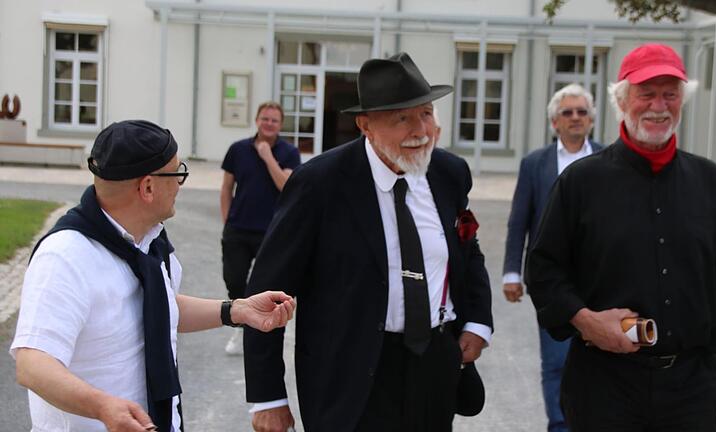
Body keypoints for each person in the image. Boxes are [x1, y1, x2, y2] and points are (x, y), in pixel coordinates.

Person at [243, 52, 493, 432]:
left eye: (426, 113)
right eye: (402, 118)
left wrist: (477, 321)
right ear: (366, 126)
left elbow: (467, 251)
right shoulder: (320, 184)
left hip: (434, 368)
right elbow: (267, 291)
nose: (420, 129)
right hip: (350, 376)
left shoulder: (448, 173)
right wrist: (268, 397)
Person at [10, 120, 296, 432]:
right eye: (177, 173)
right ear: (148, 187)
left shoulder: (150, 241)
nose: (179, 185)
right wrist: (102, 407)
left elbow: (161, 307)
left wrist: (236, 310)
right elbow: (32, 364)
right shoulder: (65, 257)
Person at [526, 44, 716, 431]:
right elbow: (543, 270)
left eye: (670, 93)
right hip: (605, 386)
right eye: (646, 93)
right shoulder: (581, 182)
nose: (658, 106)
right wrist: (585, 320)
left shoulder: (710, 181)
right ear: (622, 101)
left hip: (692, 390)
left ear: (682, 100)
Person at [502, 83, 602, 432]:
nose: (576, 118)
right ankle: (560, 426)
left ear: (591, 119)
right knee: (556, 360)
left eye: (582, 112)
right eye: (567, 112)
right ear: (554, 122)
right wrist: (512, 271)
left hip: (601, 277)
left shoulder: (609, 158)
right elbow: (519, 220)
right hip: (552, 279)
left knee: (602, 359)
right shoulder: (535, 164)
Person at [220, 101, 300, 355]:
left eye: (274, 120)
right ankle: (242, 325)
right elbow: (226, 187)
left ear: (280, 124)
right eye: (265, 119)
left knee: (266, 283)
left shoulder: (289, 152)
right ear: (257, 120)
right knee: (234, 279)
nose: (269, 124)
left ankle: (258, 333)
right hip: (239, 228)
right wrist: (227, 220)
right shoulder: (238, 149)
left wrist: (267, 157)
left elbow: (286, 186)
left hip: (272, 231)